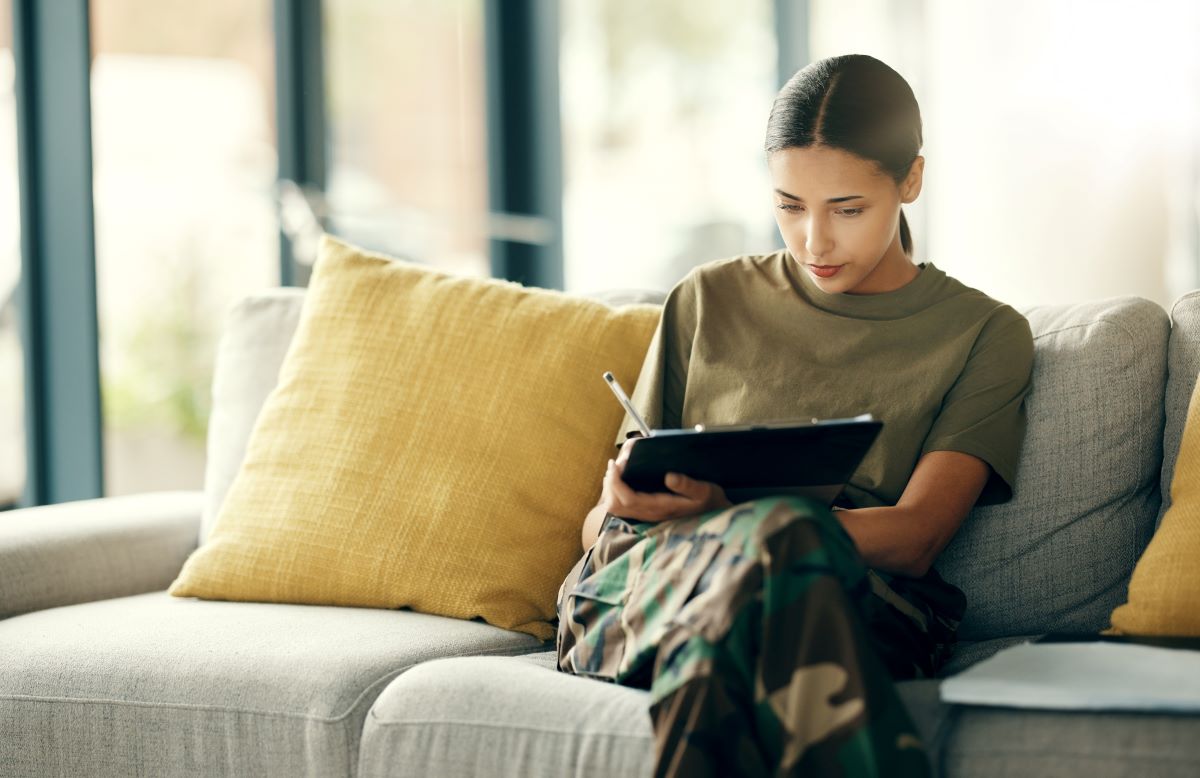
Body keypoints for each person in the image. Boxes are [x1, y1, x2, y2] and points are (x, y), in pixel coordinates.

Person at [555, 53, 1034, 777]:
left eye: (847, 209)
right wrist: (632, 505)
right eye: (789, 206)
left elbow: (915, 539)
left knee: (775, 555)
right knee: (767, 565)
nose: (813, 241)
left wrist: (747, 525)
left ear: (910, 180)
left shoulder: (982, 333)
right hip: (642, 591)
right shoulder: (706, 298)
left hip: (855, 600)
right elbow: (600, 527)